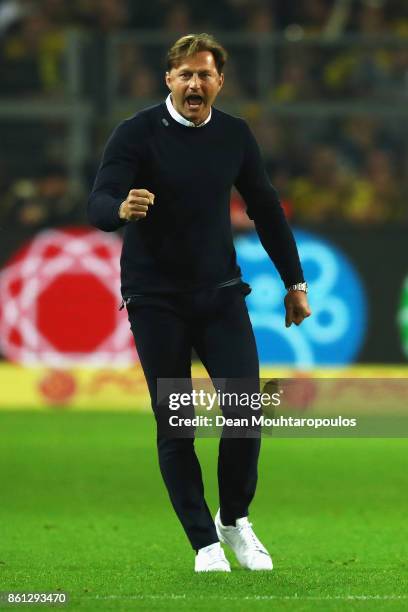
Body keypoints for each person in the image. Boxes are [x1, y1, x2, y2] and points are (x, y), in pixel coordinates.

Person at [88, 33, 311, 573]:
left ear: (219, 82)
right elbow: (98, 201)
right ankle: (202, 543)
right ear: (168, 79)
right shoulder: (136, 134)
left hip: (219, 296)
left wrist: (295, 282)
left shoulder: (234, 134)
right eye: (185, 74)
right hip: (155, 300)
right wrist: (120, 207)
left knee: (245, 412)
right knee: (177, 424)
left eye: (204, 74)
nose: (194, 83)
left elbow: (266, 209)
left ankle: (233, 521)